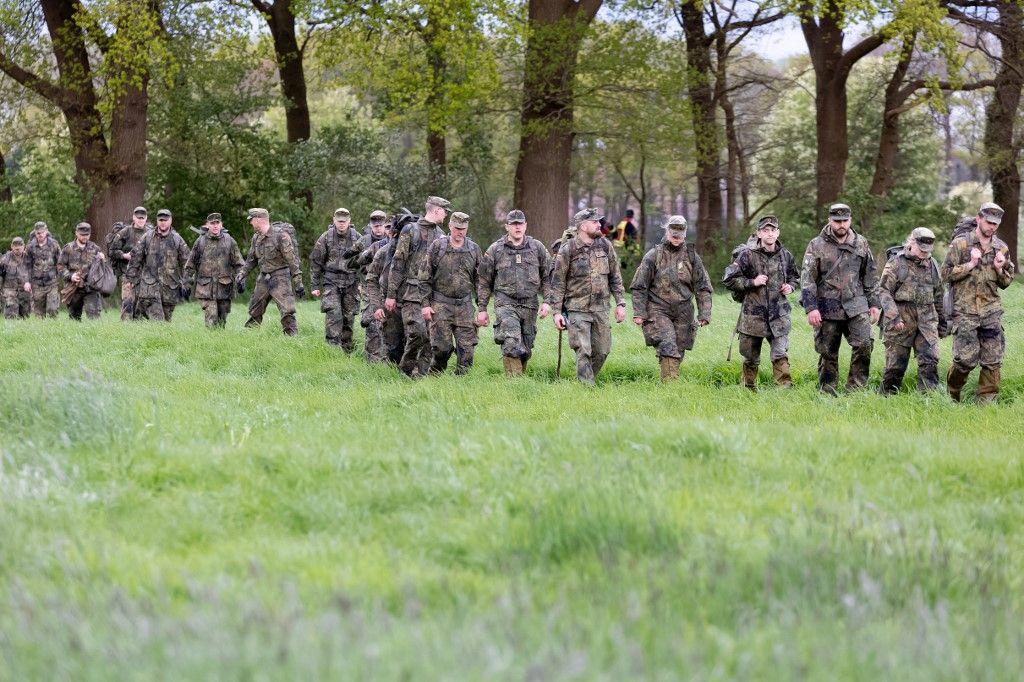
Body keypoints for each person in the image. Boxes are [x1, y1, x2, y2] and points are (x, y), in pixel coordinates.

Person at [799, 203, 880, 395]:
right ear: (830, 221)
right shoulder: (816, 244)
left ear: (850, 220)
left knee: (864, 345)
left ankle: (856, 390)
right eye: (837, 221)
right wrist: (811, 308)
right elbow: (807, 278)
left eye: (844, 221)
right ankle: (827, 392)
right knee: (828, 352)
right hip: (827, 307)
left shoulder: (861, 243)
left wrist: (875, 303)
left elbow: (870, 275)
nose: (841, 225)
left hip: (856, 305)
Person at [941, 202, 1016, 402]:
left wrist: (1000, 269)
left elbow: (1007, 282)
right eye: (989, 222)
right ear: (979, 219)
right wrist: (970, 264)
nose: (992, 227)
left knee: (993, 362)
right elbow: (945, 274)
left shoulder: (1001, 248)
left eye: (996, 223)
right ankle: (952, 394)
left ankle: (985, 404)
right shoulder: (961, 244)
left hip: (991, 312)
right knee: (965, 361)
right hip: (965, 312)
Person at [548, 207, 626, 384]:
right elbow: (558, 282)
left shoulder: (606, 246)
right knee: (583, 350)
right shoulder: (568, 250)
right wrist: (557, 313)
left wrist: (621, 303)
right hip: (577, 308)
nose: (599, 225)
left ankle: (586, 379)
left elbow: (615, 277)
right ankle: (586, 389)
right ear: (583, 226)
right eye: (595, 222)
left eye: (599, 221)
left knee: (602, 351)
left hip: (601, 309)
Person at [630, 215, 712, 381]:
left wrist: (705, 314)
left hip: (684, 311)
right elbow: (639, 286)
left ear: (685, 234)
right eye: (673, 234)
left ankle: (668, 382)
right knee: (668, 345)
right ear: (667, 232)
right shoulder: (654, 255)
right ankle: (671, 389)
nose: (676, 237)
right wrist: (639, 312)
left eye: (680, 234)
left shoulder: (692, 257)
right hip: (658, 309)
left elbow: (703, 287)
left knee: (678, 351)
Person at [723, 215, 798, 389]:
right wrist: (752, 282)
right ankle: (748, 392)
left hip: (779, 316)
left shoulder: (786, 256)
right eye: (765, 230)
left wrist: (791, 287)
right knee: (750, 358)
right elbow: (728, 279)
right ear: (759, 233)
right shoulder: (747, 256)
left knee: (780, 354)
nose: (770, 234)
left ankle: (784, 391)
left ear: (778, 233)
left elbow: (795, 277)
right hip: (752, 317)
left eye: (773, 230)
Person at [477, 209, 551, 376]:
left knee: (526, 346)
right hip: (505, 302)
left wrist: (547, 301)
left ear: (525, 226)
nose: (517, 227)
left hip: (530, 302)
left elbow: (548, 277)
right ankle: (514, 383)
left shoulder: (537, 248)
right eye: (514, 224)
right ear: (507, 227)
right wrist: (482, 309)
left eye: (520, 224)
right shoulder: (495, 249)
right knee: (511, 342)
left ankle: (520, 382)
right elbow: (484, 281)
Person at [385, 196, 449, 377]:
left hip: (432, 295)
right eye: (444, 211)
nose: (445, 216)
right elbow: (397, 263)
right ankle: (405, 367)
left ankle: (421, 376)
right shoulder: (409, 230)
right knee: (418, 333)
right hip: (410, 293)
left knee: (430, 338)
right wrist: (391, 294)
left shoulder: (441, 235)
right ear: (437, 210)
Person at [877, 227, 945, 394]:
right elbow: (883, 291)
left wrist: (943, 322)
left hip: (926, 321)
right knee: (895, 367)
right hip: (900, 319)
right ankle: (886, 399)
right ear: (912, 243)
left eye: (927, 250)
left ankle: (929, 400)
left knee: (930, 361)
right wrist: (894, 317)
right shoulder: (896, 263)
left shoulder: (933, 265)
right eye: (921, 249)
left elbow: (939, 295)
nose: (924, 253)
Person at [419, 212, 482, 375]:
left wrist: (482, 308)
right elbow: (424, 277)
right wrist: (425, 305)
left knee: (467, 352)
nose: (460, 232)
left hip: (465, 306)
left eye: (463, 229)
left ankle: (461, 386)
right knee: (442, 350)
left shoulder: (473, 249)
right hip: (441, 305)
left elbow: (480, 280)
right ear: (450, 227)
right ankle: (435, 376)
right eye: (457, 228)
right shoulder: (437, 247)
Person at [239, 208, 303, 336]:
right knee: (254, 310)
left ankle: (292, 339)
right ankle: (249, 338)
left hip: (280, 277)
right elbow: (251, 260)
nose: (250, 223)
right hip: (263, 278)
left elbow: (292, 261)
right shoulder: (256, 237)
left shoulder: (281, 236)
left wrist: (298, 282)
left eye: (252, 220)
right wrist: (241, 275)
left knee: (287, 311)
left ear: (259, 219)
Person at [125, 208, 189, 322]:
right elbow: (136, 257)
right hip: (149, 287)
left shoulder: (177, 239)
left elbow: (186, 262)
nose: (163, 222)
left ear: (170, 221)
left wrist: (187, 282)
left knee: (166, 322)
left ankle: (152, 337)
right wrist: (130, 278)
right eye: (160, 220)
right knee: (158, 321)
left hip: (170, 289)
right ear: (157, 221)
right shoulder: (147, 237)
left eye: (165, 220)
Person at [310, 208, 361, 351]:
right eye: (339, 221)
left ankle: (347, 351)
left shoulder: (357, 238)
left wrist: (362, 283)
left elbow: (365, 263)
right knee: (334, 314)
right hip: (331, 282)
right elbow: (316, 262)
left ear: (349, 221)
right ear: (334, 220)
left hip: (351, 282)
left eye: (344, 221)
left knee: (349, 318)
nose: (341, 224)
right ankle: (332, 350)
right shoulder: (326, 237)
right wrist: (314, 285)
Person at [183, 212, 245, 327]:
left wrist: (241, 278)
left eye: (217, 223)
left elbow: (239, 263)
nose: (215, 226)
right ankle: (210, 342)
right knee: (211, 319)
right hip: (206, 288)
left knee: (222, 321)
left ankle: (219, 343)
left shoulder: (229, 241)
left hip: (225, 287)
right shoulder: (200, 242)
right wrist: (186, 284)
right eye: (212, 223)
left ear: (221, 224)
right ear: (208, 225)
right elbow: (190, 264)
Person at [346, 211, 391, 361]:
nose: (378, 228)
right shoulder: (363, 241)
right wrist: (365, 258)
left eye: (381, 225)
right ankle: (372, 359)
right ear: (371, 225)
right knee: (370, 321)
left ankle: (388, 357)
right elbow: (349, 261)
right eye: (375, 225)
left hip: (388, 287)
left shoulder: (392, 239)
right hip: (368, 285)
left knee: (388, 322)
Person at [367, 218, 405, 364]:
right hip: (389, 308)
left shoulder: (417, 253)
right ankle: (393, 377)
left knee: (415, 340)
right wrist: (377, 306)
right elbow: (371, 279)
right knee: (393, 347)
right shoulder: (383, 253)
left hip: (412, 304)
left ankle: (413, 377)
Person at [109, 206, 153, 320]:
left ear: (146, 218)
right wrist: (124, 255)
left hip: (145, 276)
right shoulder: (125, 232)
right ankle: (125, 331)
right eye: (138, 217)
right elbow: (112, 251)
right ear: (134, 217)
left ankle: (139, 333)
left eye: (142, 218)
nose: (140, 220)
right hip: (127, 274)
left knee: (142, 306)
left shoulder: (150, 233)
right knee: (128, 304)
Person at [57, 222, 105, 320]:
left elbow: (101, 269)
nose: (84, 237)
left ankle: (95, 335)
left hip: (90, 288)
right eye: (82, 235)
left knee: (94, 316)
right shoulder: (68, 248)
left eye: (87, 235)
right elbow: (60, 267)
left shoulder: (95, 248)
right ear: (76, 233)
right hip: (73, 288)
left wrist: (103, 260)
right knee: (74, 317)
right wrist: (71, 276)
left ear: (90, 234)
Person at [24, 221, 62, 318]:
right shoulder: (30, 247)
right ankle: (42, 332)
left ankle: (54, 331)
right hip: (36, 284)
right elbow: (26, 266)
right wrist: (27, 282)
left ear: (46, 231)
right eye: (38, 232)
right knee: (39, 314)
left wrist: (63, 276)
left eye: (42, 232)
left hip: (52, 282)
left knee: (53, 309)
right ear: (35, 232)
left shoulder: (54, 244)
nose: (40, 234)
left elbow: (61, 262)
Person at [0, 237, 31, 319]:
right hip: (9, 290)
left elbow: (36, 273)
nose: (17, 248)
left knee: (25, 316)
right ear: (11, 246)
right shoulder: (5, 259)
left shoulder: (29, 258)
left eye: (20, 245)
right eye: (15, 245)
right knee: (11, 314)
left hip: (25, 291)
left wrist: (29, 282)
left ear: (24, 246)